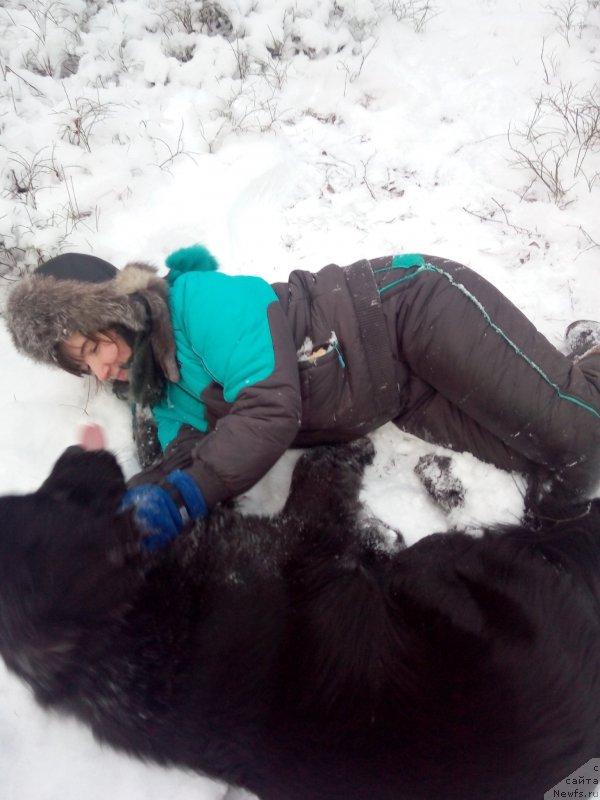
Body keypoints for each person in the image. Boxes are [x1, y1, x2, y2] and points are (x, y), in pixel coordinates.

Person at [6, 246, 600, 546]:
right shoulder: (161, 395)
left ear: (111, 305)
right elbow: (179, 462)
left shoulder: (197, 302)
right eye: (82, 362)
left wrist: (187, 495)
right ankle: (578, 369)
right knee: (543, 460)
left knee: (582, 444)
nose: (102, 365)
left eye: (94, 342)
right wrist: (111, 521)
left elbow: (270, 407)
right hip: (403, 394)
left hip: (413, 314)